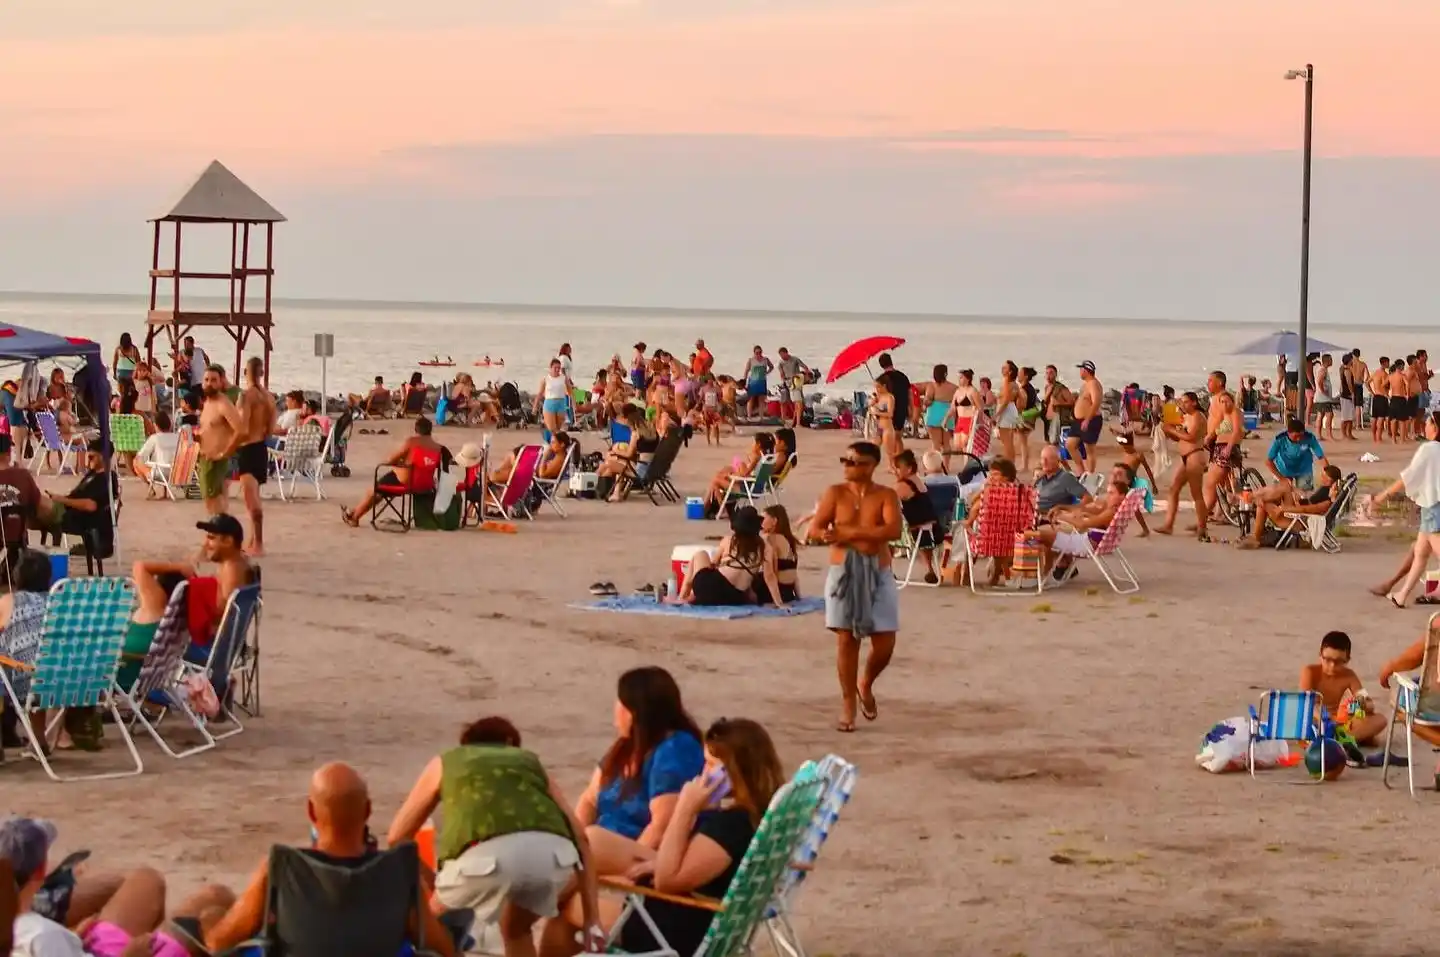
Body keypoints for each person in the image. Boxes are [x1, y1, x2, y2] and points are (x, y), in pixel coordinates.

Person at [547, 718, 784, 957]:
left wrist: (685, 808)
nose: (703, 774)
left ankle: (534, 906)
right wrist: (658, 861)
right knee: (594, 842)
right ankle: (539, 898)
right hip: (696, 914)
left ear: (733, 772)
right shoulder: (756, 817)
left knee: (569, 906)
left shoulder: (730, 826)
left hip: (677, 929)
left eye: (711, 766)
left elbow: (666, 881)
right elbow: (695, 867)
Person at [389, 718, 601, 957]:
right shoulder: (530, 762)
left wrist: (432, 881)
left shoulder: (446, 761)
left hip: (482, 859)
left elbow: (397, 837)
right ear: (510, 743)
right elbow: (581, 836)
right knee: (516, 930)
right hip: (553, 857)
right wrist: (592, 920)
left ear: (466, 745)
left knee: (433, 933)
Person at [204, 763, 455, 957]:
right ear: (367, 811)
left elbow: (220, 941)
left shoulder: (280, 868)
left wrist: (209, 924)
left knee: (211, 907)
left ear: (311, 812)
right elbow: (442, 948)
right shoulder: (398, 872)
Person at [568, 668, 704, 878]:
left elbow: (662, 825)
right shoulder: (627, 746)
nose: (616, 709)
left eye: (621, 703)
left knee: (591, 842)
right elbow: (589, 800)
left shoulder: (675, 748)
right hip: (603, 847)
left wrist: (630, 872)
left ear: (637, 711)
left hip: (640, 855)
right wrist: (572, 840)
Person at [807, 441, 901, 733]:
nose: (847, 466)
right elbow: (815, 529)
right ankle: (848, 702)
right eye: (845, 460)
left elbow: (893, 530)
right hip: (843, 571)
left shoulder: (885, 495)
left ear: (871, 466)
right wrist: (830, 535)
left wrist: (848, 532)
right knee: (847, 639)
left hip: (879, 571)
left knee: (885, 641)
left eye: (854, 461)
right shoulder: (835, 493)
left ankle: (866, 682)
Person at [1368, 411, 1440, 607]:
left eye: (1428, 423)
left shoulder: (1429, 449)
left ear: (1435, 428)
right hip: (1431, 507)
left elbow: (1407, 477)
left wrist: (1382, 496)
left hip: (1433, 506)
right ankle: (1401, 595)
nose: (1425, 426)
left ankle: (1401, 593)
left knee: (1430, 550)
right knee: (1420, 553)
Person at [341, 417, 445, 526]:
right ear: (430, 430)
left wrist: (400, 463)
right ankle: (354, 512)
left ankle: (355, 517)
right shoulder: (437, 448)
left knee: (375, 491)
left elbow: (390, 460)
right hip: (426, 485)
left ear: (416, 429)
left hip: (405, 482)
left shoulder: (412, 442)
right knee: (379, 492)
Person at [1298, 631, 1387, 749]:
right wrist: (1326, 719)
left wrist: (1357, 705)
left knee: (1380, 720)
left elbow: (1369, 704)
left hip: (1338, 723)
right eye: (1327, 660)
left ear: (1347, 659)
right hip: (1316, 722)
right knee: (1308, 723)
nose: (1332, 666)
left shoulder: (1349, 676)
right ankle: (1347, 739)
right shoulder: (1310, 671)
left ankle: (1338, 740)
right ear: (1320, 655)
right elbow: (1306, 703)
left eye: (1338, 662)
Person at [1238, 464, 1342, 550]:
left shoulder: (1327, 502)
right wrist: (1297, 495)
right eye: (1322, 475)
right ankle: (1252, 498)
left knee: (1264, 504)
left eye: (1324, 477)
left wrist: (1283, 508)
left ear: (1333, 482)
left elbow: (1306, 510)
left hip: (1299, 523)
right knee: (1285, 487)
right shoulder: (1325, 492)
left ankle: (1250, 500)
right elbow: (1308, 504)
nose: (1321, 478)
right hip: (1300, 515)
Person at [41, 442, 116, 557]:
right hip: (71, 511)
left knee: (37, 510)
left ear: (103, 456)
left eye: (91, 457)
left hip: (82, 519)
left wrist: (63, 500)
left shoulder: (106, 479)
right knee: (37, 503)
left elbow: (91, 505)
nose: (88, 462)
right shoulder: (93, 473)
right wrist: (60, 498)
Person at [233, 357, 276, 556]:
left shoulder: (245, 396)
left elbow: (242, 427)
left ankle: (258, 543)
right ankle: (252, 541)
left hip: (247, 449)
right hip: (261, 449)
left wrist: (229, 445)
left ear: (245, 372)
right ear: (262, 373)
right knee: (254, 496)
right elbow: (271, 430)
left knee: (252, 502)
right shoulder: (269, 398)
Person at [1155, 391, 1209, 540]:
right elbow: (1178, 438)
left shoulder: (1198, 416)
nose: (1183, 405)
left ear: (1194, 402)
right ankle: (1168, 525)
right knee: (1174, 489)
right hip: (1186, 458)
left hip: (1195, 456)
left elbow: (1191, 437)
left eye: (1186, 402)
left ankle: (1202, 528)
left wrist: (1172, 430)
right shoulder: (1185, 417)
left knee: (1196, 494)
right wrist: (1168, 429)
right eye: (1182, 402)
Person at [194, 365, 242, 516]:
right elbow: (210, 428)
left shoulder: (224, 404)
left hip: (218, 461)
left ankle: (221, 528)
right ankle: (219, 528)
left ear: (221, 382)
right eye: (206, 380)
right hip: (205, 458)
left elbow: (241, 430)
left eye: (214, 380)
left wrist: (225, 453)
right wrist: (197, 435)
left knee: (216, 502)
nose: (209, 383)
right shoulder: (208, 403)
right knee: (210, 502)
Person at [893, 450, 940, 583]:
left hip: (913, 534)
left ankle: (887, 570)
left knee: (884, 533)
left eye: (897, 468)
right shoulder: (919, 482)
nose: (895, 471)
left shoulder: (903, 485)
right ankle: (929, 569)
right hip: (931, 532)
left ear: (908, 469)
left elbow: (887, 501)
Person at [1266, 417, 1330, 490]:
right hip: (1284, 468)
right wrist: (1281, 478)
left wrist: (1329, 474)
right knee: (1281, 492)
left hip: (1304, 468)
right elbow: (1268, 461)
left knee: (1305, 493)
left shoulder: (1309, 437)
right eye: (1295, 436)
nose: (1299, 439)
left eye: (1301, 436)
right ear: (1288, 433)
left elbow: (1321, 457)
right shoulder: (1280, 439)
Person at [1066, 360, 1103, 474]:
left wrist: (1087, 420)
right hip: (1078, 421)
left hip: (1091, 420)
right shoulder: (1085, 384)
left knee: (1089, 449)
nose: (1080, 372)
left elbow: (1096, 402)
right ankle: (1081, 470)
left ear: (1086, 371)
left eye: (1081, 370)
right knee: (1070, 444)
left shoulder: (1094, 384)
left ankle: (1090, 474)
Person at [758, 505, 801, 604]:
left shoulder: (770, 539)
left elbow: (770, 575)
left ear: (774, 521)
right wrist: (798, 597)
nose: (760, 522)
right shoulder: (789, 539)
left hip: (775, 592)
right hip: (788, 593)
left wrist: (779, 603)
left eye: (763, 518)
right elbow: (794, 573)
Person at [1034, 444, 1090, 519]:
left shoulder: (1065, 478)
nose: (1044, 462)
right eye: (1042, 458)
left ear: (1058, 460)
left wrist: (1064, 509)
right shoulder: (1041, 478)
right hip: (1033, 514)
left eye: (1049, 458)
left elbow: (1088, 499)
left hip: (1049, 518)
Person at [875, 353, 910, 448]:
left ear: (881, 365)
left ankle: (873, 454)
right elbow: (909, 394)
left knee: (881, 437)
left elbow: (880, 397)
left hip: (887, 412)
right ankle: (900, 456)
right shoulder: (903, 376)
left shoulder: (882, 380)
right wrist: (910, 409)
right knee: (898, 438)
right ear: (891, 361)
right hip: (902, 409)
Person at [921, 365, 957, 454]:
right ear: (946, 374)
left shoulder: (932, 386)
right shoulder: (953, 387)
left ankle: (937, 462)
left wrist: (925, 403)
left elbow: (927, 401)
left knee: (936, 444)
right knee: (946, 444)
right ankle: (946, 463)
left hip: (934, 415)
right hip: (948, 416)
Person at [534, 358, 574, 438]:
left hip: (561, 404)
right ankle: (552, 442)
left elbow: (570, 392)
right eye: (555, 367)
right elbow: (540, 393)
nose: (557, 370)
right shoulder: (545, 379)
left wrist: (574, 405)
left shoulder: (563, 378)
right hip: (549, 404)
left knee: (558, 429)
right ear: (551, 367)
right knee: (552, 429)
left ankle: (554, 442)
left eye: (559, 368)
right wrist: (535, 406)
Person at [775, 348, 811, 428]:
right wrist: (784, 381)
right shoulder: (781, 363)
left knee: (798, 403)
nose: (782, 357)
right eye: (780, 355)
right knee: (786, 401)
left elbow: (805, 367)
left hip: (797, 382)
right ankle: (786, 420)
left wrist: (807, 376)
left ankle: (796, 422)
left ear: (786, 353)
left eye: (782, 355)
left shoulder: (795, 359)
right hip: (787, 383)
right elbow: (781, 374)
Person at [740, 346, 772, 419]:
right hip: (753, 382)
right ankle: (749, 416)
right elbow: (746, 371)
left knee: (761, 400)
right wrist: (744, 381)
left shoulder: (765, 359)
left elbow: (771, 367)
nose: (758, 354)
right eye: (757, 353)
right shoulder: (751, 360)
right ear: (754, 353)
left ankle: (761, 417)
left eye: (760, 352)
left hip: (762, 381)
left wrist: (767, 372)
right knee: (751, 399)